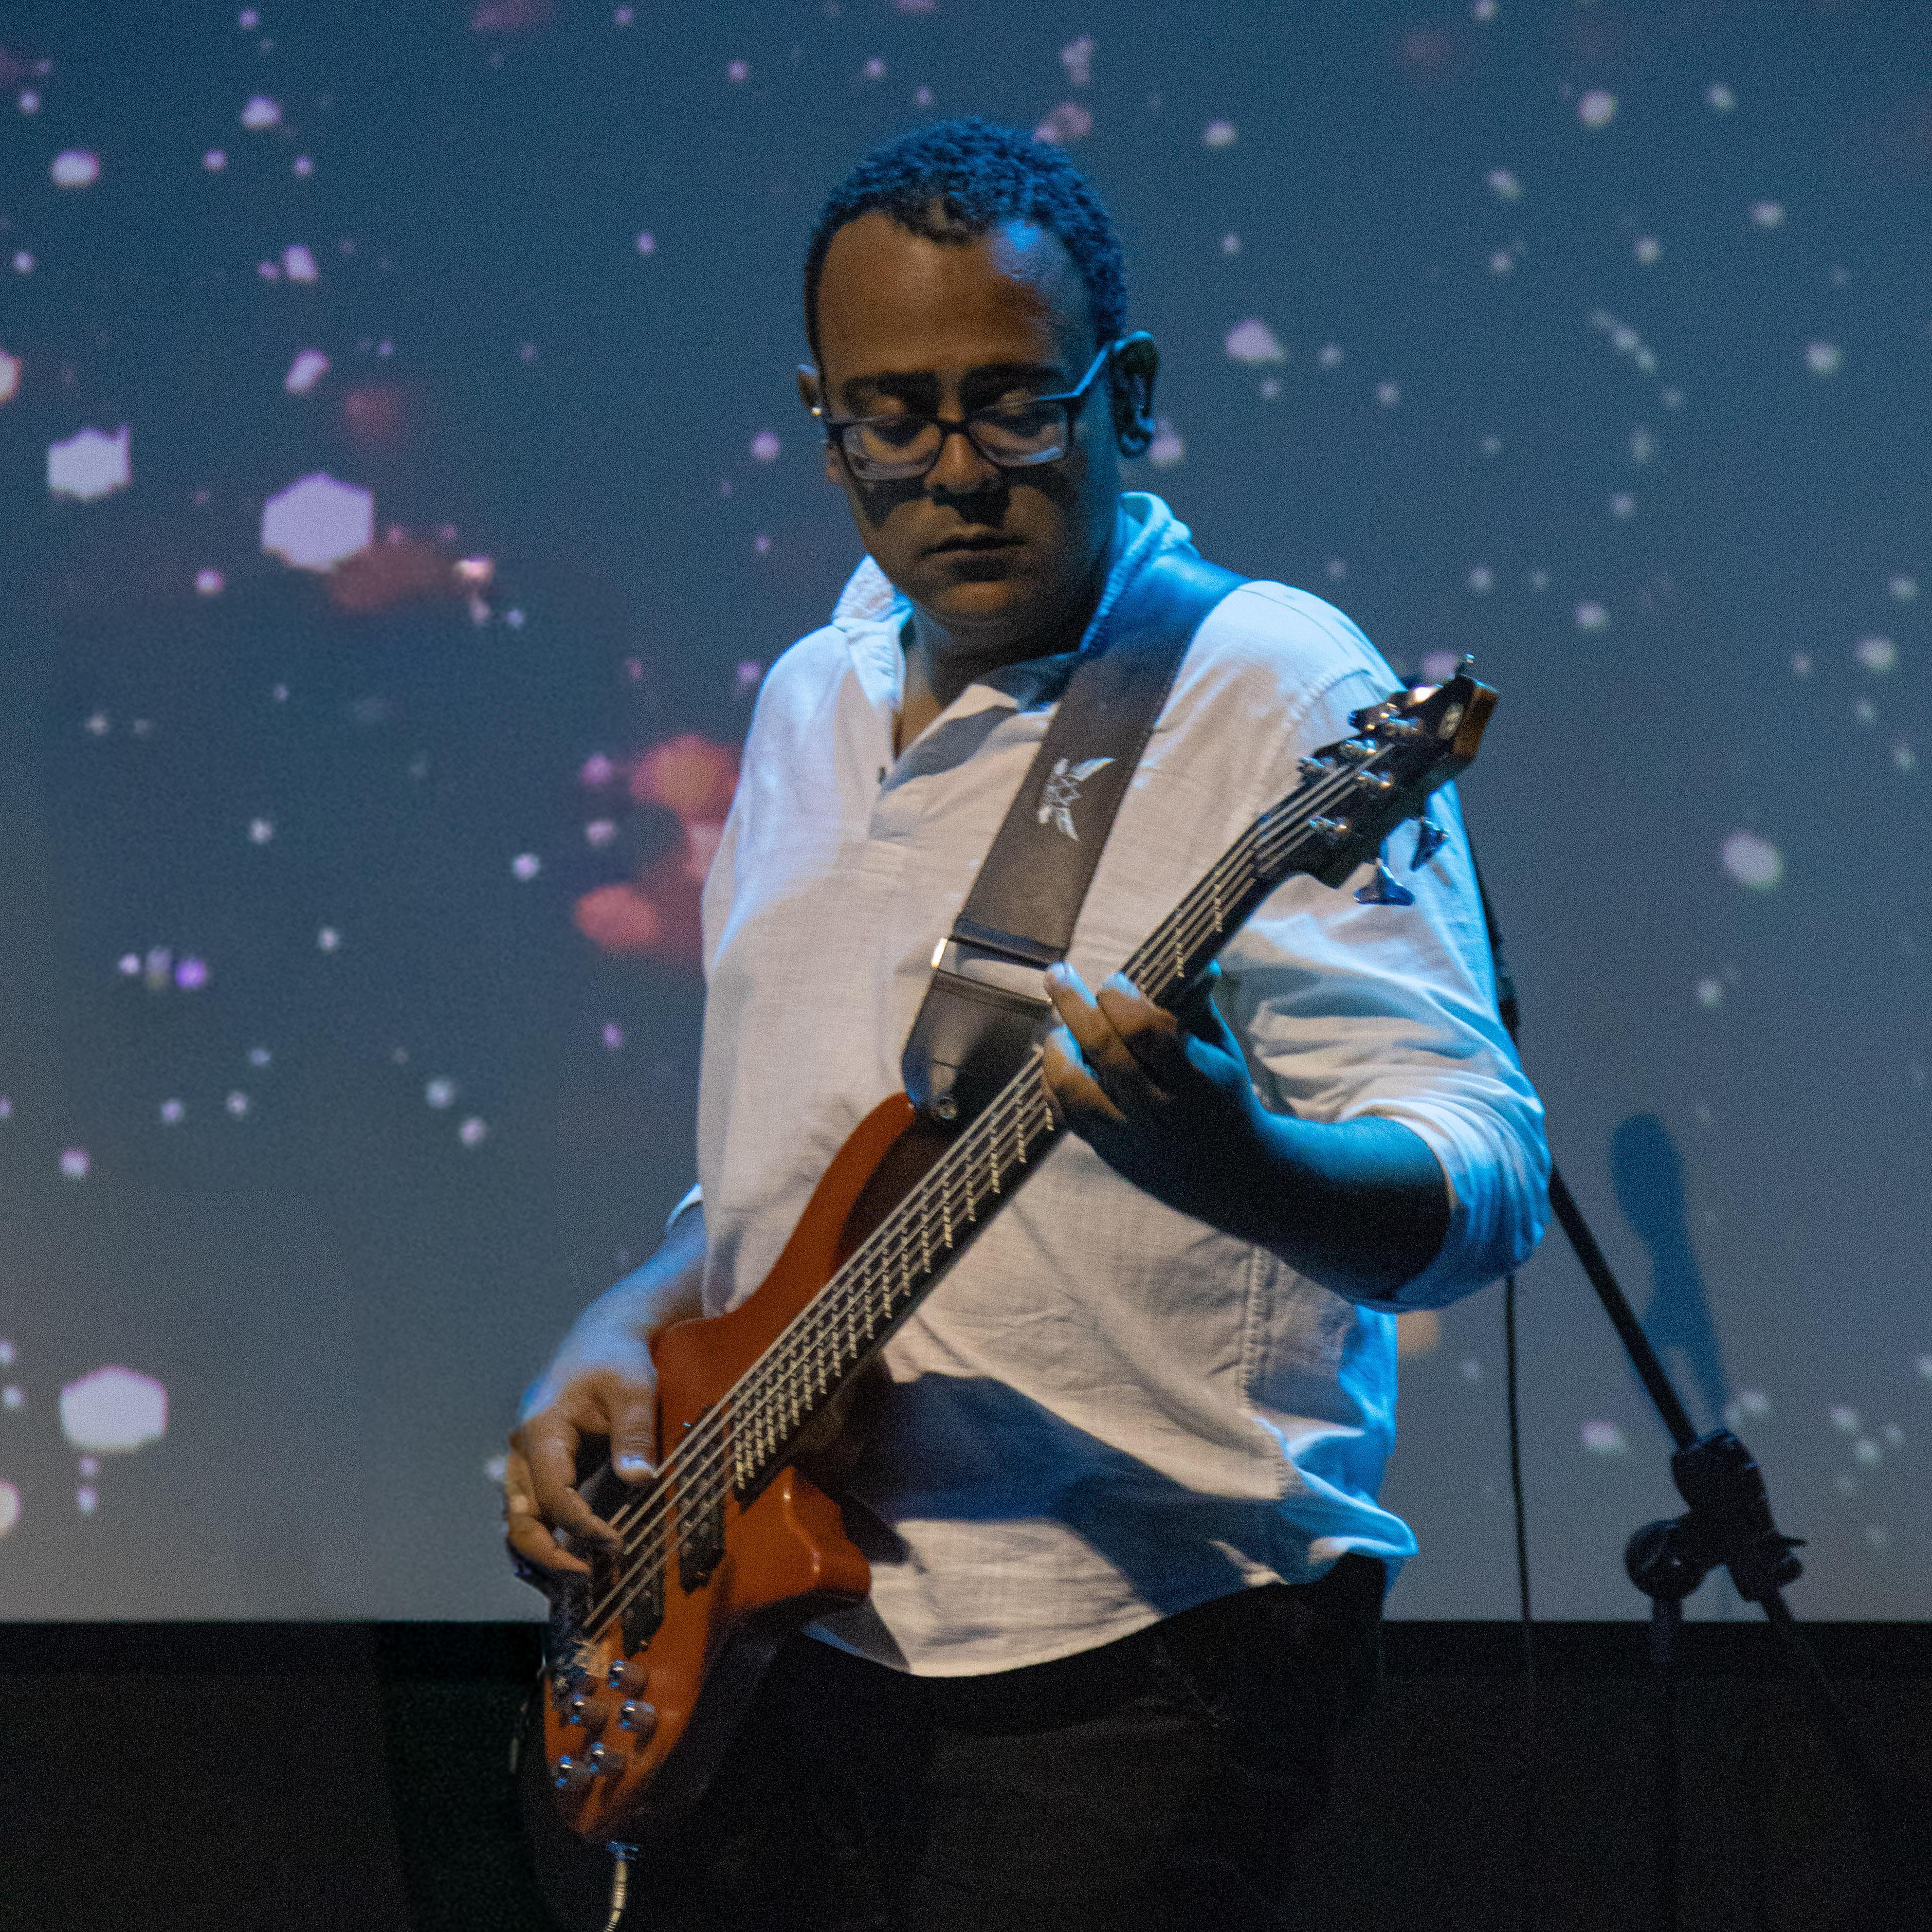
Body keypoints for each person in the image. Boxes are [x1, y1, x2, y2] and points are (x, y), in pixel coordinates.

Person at [505, 119, 1548, 1931]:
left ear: (1127, 394)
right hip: (785, 1653)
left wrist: (1232, 1157)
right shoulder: (806, 699)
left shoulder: (1269, 685)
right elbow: (800, 1158)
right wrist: (631, 1314)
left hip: (1136, 1659)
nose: (957, 473)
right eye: (892, 418)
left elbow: (1485, 1179)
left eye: (1013, 407)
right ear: (824, 422)